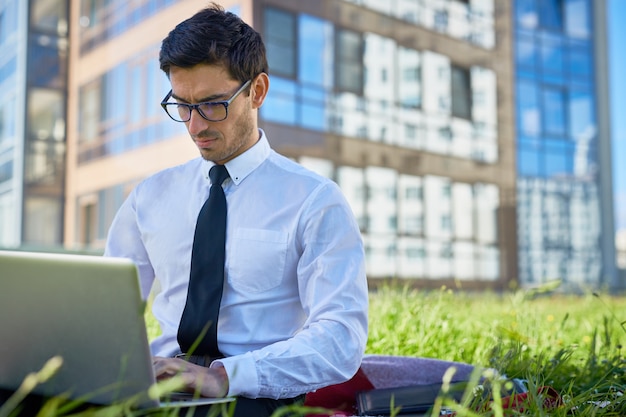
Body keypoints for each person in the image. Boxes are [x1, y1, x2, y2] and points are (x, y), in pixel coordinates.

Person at [103, 3, 369, 416]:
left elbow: (341, 339)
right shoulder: (149, 197)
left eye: (212, 104)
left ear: (257, 91)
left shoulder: (315, 200)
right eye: (182, 105)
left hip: (256, 395)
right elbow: (104, 310)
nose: (195, 126)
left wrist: (225, 375)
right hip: (155, 386)